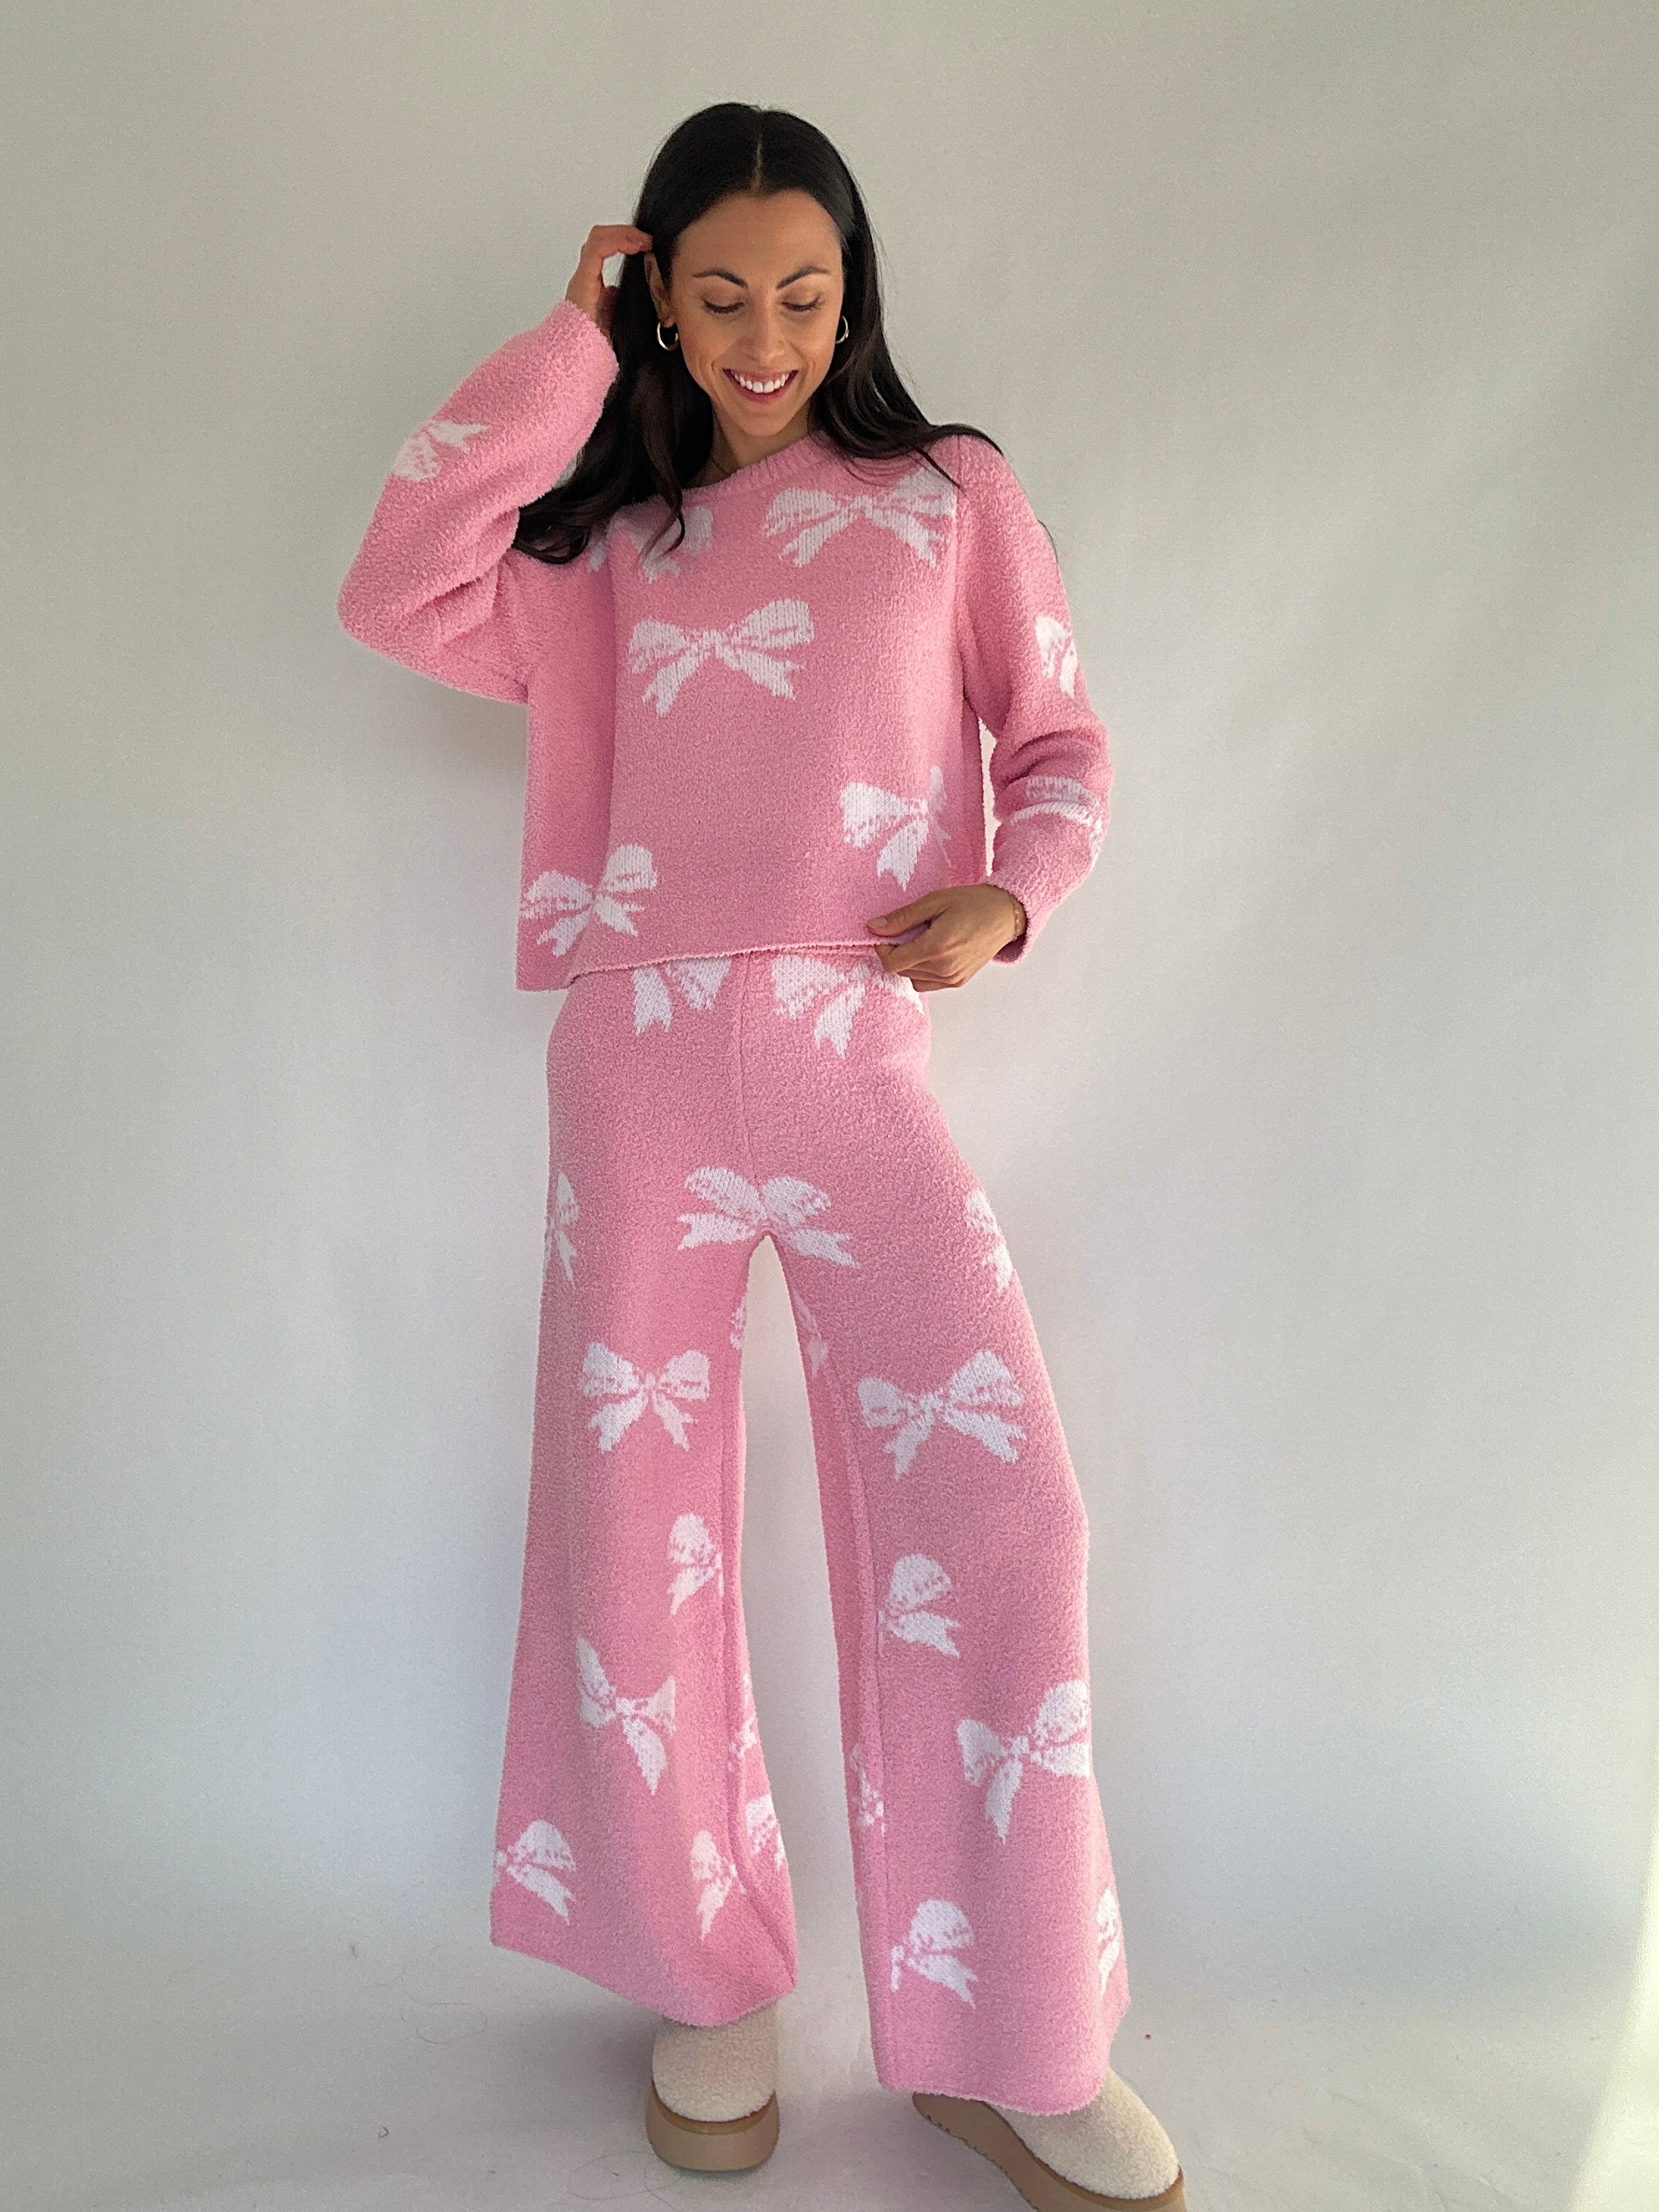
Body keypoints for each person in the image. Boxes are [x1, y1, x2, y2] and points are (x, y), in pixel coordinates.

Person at [337, 100, 1185, 2212]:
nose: (766, 333)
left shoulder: (941, 497)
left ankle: (1016, 2034)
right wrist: (562, 355)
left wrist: (1012, 891)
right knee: (636, 1525)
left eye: (804, 292)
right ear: (658, 298)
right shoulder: (600, 546)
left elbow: (1059, 743)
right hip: (631, 1057)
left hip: (847, 1048)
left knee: (1009, 1512)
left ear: (855, 288)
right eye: (715, 295)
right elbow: (396, 576)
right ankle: (700, 1973)